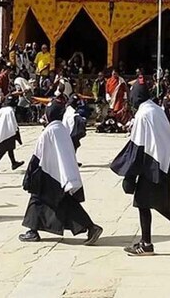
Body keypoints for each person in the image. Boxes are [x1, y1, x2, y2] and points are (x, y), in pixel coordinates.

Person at [110, 84, 170, 256]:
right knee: (154, 200)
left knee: (143, 202)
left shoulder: (143, 114)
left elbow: (138, 145)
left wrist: (129, 173)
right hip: (164, 160)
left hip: (151, 163)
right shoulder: (156, 109)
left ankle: (147, 244)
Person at [19, 100, 103, 245]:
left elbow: (38, 155)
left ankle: (33, 231)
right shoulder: (62, 129)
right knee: (60, 203)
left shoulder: (49, 131)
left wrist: (29, 174)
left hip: (49, 173)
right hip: (60, 173)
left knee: (38, 199)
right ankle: (33, 230)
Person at [0, 96, 24, 174]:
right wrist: (17, 135)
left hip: (0, 132)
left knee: (10, 148)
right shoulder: (10, 110)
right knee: (2, 151)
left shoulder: (1, 110)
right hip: (7, 133)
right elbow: (14, 124)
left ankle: (14, 163)